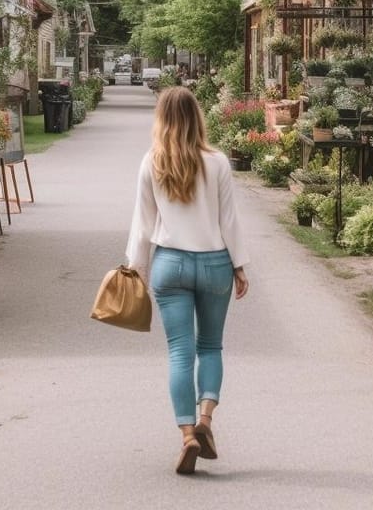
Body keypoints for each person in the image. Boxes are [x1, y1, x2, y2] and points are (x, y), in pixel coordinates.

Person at [125, 86, 249, 475]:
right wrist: (240, 265)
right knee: (210, 346)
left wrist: (135, 268)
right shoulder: (218, 162)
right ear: (198, 117)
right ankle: (206, 421)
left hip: (170, 264)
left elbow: (142, 223)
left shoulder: (152, 162)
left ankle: (186, 436)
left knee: (181, 353)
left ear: (161, 119)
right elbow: (229, 220)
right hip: (214, 264)